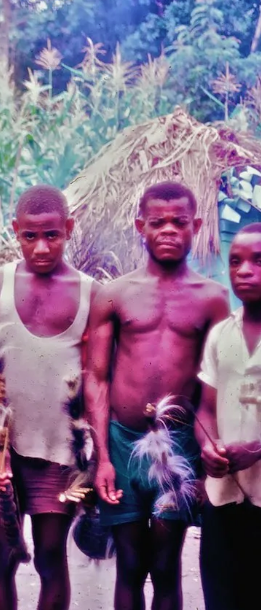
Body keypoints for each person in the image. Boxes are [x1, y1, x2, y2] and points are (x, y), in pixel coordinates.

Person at [86, 181, 229, 610]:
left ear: (197, 227)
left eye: (179, 222)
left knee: (166, 563)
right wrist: (103, 457)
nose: (168, 230)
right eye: (157, 222)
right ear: (140, 227)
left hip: (180, 447)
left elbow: (214, 385)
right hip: (122, 440)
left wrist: (207, 458)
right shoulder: (114, 294)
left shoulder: (213, 299)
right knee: (130, 563)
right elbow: (96, 378)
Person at [0, 185, 97, 610]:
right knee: (0, 556)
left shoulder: (91, 293)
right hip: (2, 447)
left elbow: (95, 376)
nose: (41, 247)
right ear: (15, 231)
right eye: (30, 237)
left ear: (69, 230)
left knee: (49, 557)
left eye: (52, 236)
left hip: (60, 449)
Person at [196, 222, 261, 610]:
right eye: (235, 261)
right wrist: (208, 446)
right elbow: (206, 405)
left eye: (258, 261)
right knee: (222, 595)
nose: (243, 270)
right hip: (223, 496)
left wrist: (257, 448)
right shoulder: (222, 333)